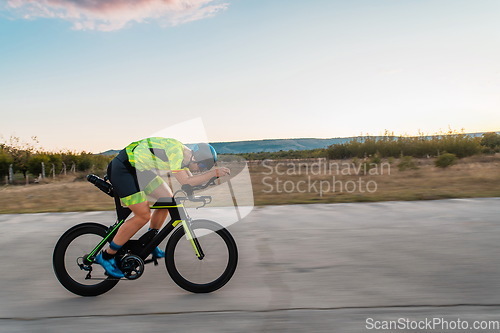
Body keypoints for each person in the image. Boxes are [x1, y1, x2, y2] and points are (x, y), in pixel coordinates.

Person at [95, 137, 230, 278]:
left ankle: (149, 242)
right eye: (202, 167)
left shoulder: (185, 158)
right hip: (124, 168)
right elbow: (186, 180)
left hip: (140, 170)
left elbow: (189, 184)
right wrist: (213, 173)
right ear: (196, 158)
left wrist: (198, 192)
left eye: (204, 168)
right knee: (143, 215)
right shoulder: (176, 152)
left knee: (167, 200)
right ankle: (106, 256)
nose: (200, 170)